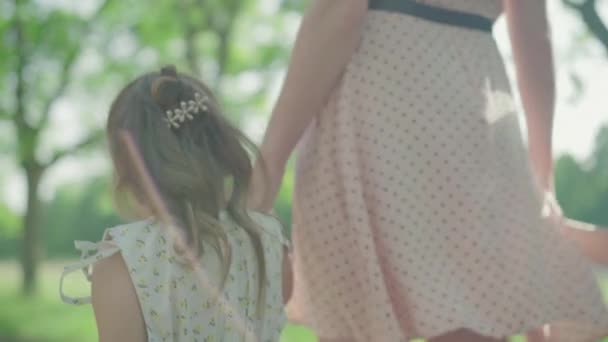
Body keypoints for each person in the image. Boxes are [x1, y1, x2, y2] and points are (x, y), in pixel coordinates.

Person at [249, 0, 608, 341]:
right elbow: (534, 40)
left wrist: (270, 163)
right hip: (474, 108)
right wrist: (540, 184)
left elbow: (341, 11)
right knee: (473, 318)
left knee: (356, 320)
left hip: (373, 100)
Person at [60, 65, 291, 342]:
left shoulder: (123, 262)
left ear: (127, 170)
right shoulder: (266, 238)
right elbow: (279, 301)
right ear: (217, 146)